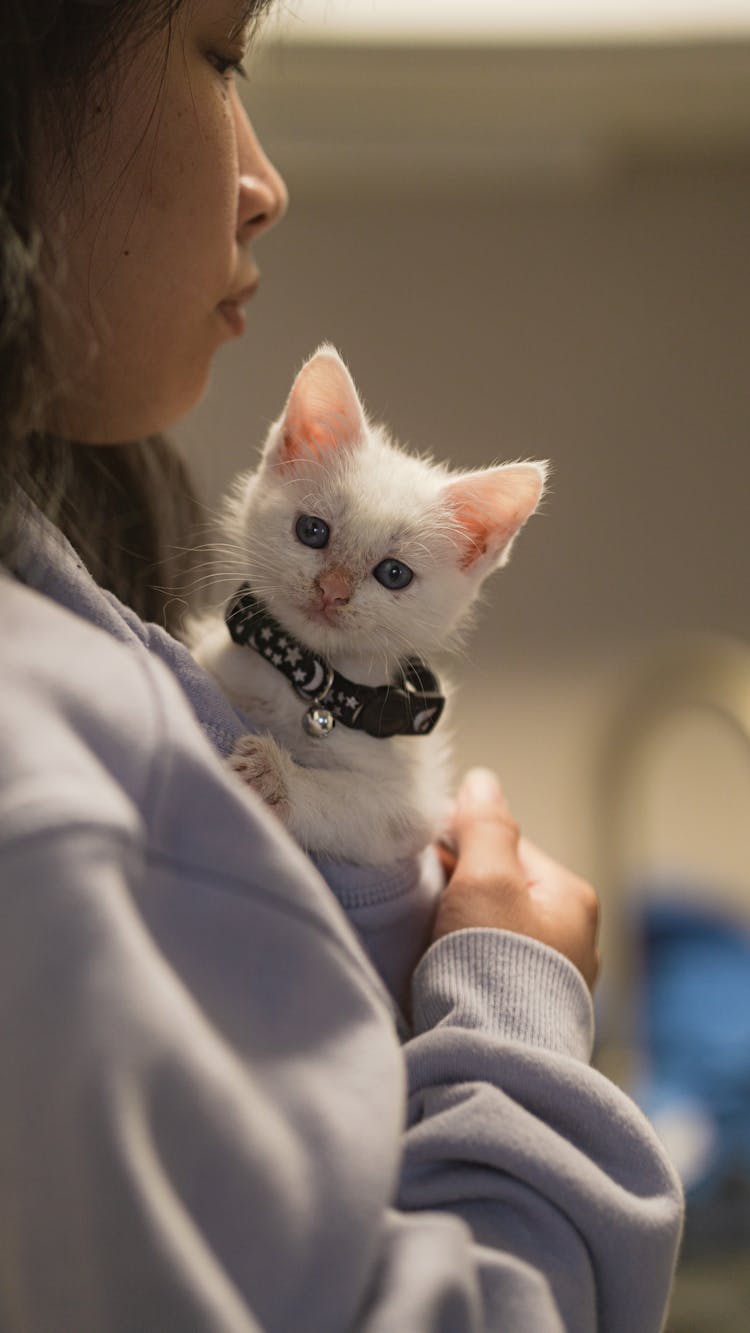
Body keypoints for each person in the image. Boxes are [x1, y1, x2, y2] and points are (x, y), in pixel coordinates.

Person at [0, 1, 683, 1329]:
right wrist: (510, 998)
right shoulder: (49, 799)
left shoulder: (83, 628)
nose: (266, 182)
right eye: (219, 57)